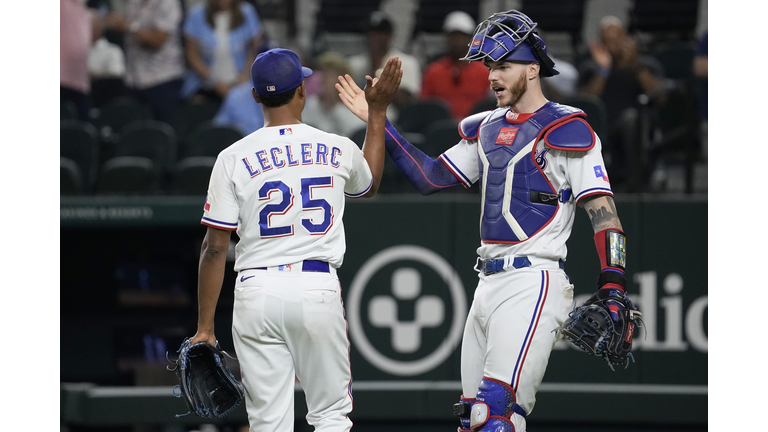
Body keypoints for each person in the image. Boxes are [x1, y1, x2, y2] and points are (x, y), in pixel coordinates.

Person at [337, 10, 629, 432]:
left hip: (534, 280)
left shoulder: (569, 128)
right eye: (490, 66)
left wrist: (614, 285)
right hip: (487, 282)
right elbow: (431, 177)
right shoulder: (487, 127)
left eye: (504, 65)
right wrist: (379, 119)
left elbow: (605, 215)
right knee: (474, 420)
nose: (492, 75)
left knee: (494, 414)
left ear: (532, 69)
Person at [188, 48, 402, 431]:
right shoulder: (335, 146)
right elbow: (369, 182)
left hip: (256, 289)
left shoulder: (232, 157)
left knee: (269, 423)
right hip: (315, 285)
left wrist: (206, 327)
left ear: (255, 96)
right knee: (331, 416)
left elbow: (216, 247)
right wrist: (378, 112)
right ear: (302, 91)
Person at [576, 15, 666, 191]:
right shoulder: (591, 68)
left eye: (619, 39)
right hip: (603, 131)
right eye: (609, 41)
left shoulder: (647, 65)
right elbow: (585, 102)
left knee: (631, 119)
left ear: (627, 39)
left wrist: (635, 65)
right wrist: (604, 69)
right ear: (601, 45)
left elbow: (661, 98)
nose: (615, 45)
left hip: (639, 130)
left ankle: (636, 183)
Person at [102, 0, 186, 122]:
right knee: (134, 133)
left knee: (162, 131)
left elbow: (158, 40)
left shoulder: (168, 2)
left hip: (163, 79)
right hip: (133, 79)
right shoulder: (133, 2)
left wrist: (127, 26)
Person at [180, 0, 263, 104]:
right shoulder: (196, 14)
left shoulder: (247, 11)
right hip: (205, 86)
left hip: (241, 84)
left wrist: (244, 78)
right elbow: (191, 54)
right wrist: (215, 83)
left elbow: (254, 49)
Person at [419, 11, 492, 120]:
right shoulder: (434, 71)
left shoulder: (486, 72)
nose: (458, 41)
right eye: (454, 36)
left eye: (462, 36)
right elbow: (424, 106)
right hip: (441, 131)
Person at [348, 11, 422, 114]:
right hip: (357, 118)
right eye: (370, 33)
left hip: (393, 120)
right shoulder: (354, 64)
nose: (373, 38)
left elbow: (405, 102)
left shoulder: (406, 63)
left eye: (379, 33)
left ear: (389, 36)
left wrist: (377, 70)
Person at [302, 51, 367, 137]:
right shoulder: (312, 103)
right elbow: (303, 125)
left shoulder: (354, 103)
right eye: (323, 74)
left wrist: (334, 107)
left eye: (329, 75)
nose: (324, 79)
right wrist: (323, 106)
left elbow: (358, 132)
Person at [61, 0, 101, 122]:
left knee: (82, 132)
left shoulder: (82, 8)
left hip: (78, 82)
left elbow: (95, 35)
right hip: (60, 81)